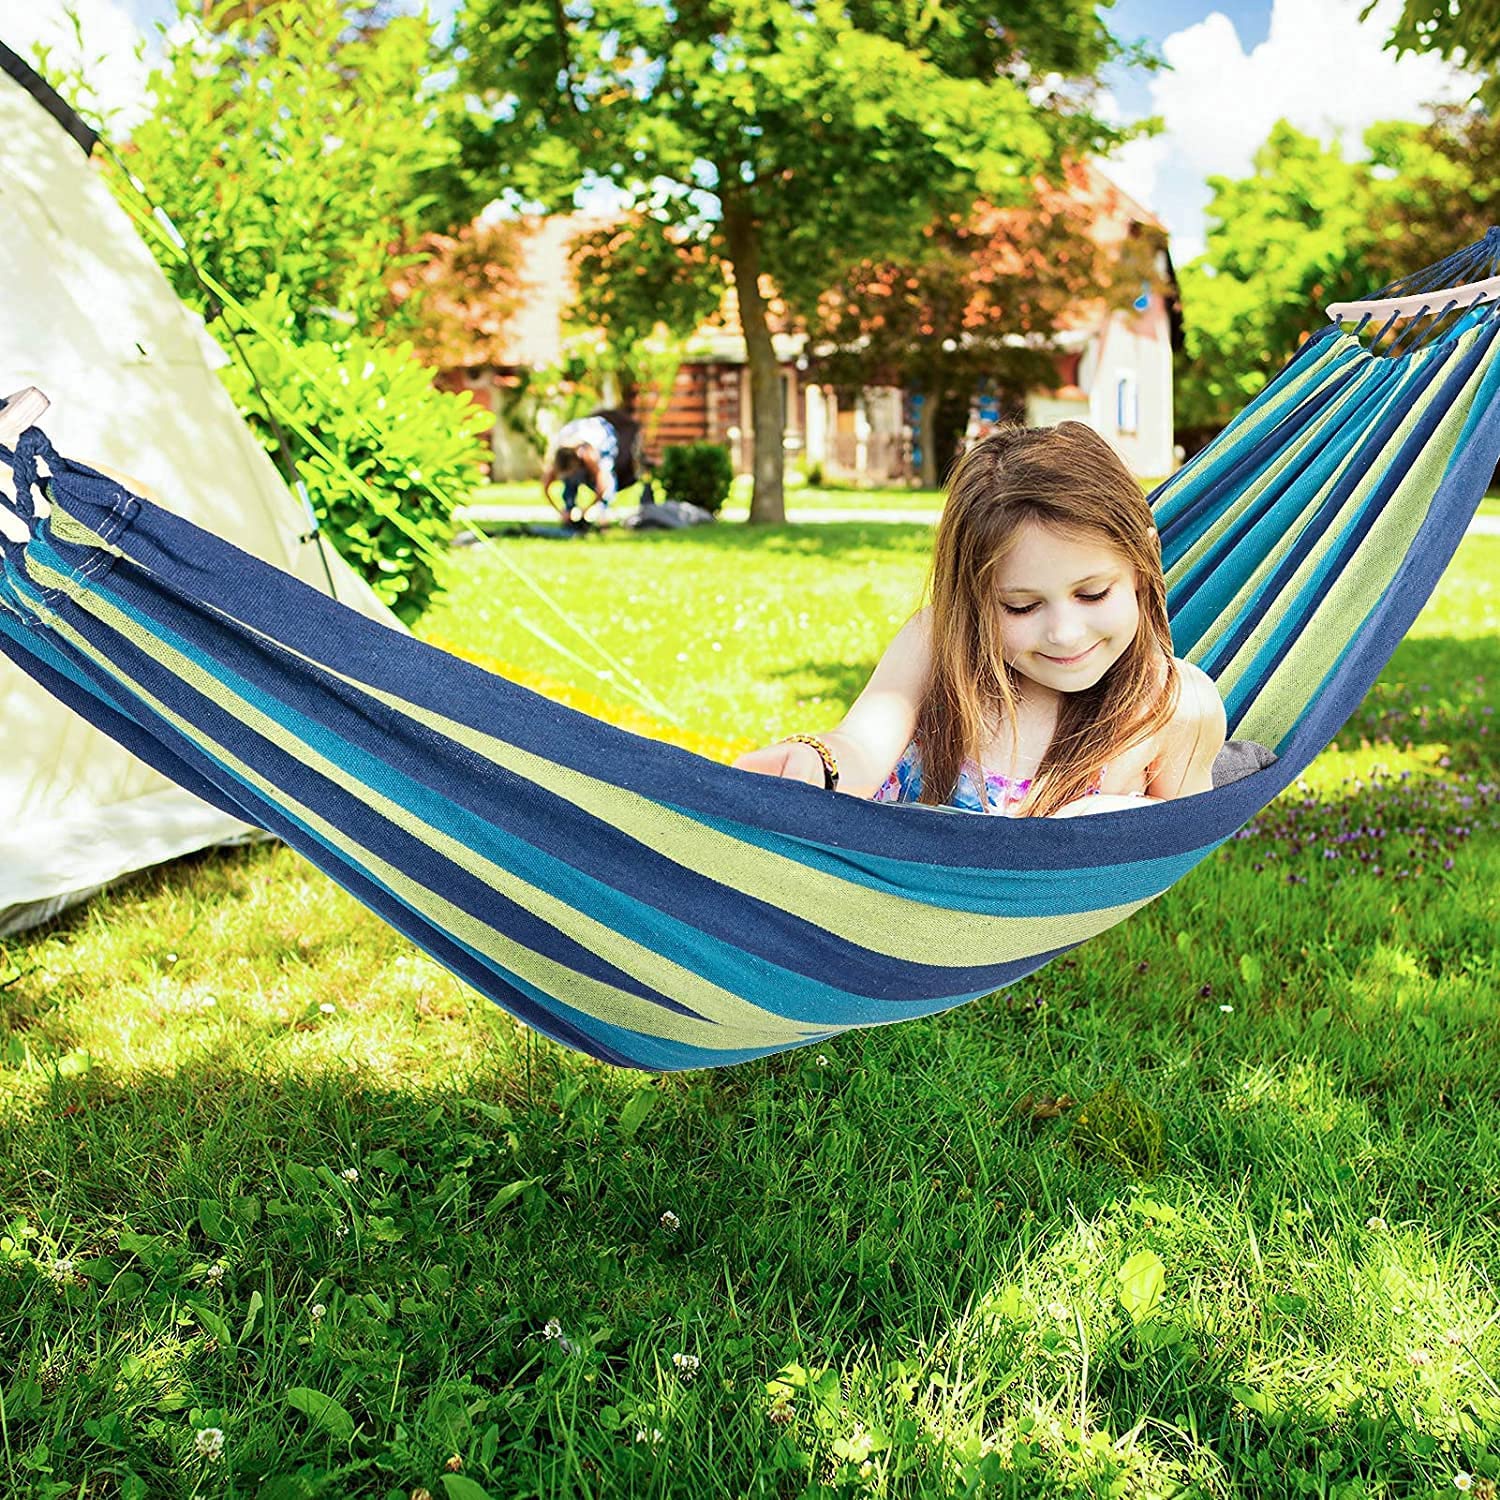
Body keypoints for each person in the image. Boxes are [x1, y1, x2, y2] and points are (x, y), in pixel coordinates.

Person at [733, 421, 1227, 818]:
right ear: (972, 597)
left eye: (1093, 593)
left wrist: (1114, 818)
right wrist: (821, 762)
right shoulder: (938, 645)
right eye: (1021, 606)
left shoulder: (1175, 707)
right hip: (881, 903)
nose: (1064, 632)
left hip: (1013, 921)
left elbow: (1177, 837)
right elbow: (861, 747)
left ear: (1143, 563)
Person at [541, 407, 654, 528]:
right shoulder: (558, 459)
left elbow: (603, 485)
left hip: (603, 432)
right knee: (570, 481)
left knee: (608, 480)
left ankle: (603, 516)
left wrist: (587, 510)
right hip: (577, 431)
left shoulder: (589, 454)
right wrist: (561, 512)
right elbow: (546, 488)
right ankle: (569, 512)